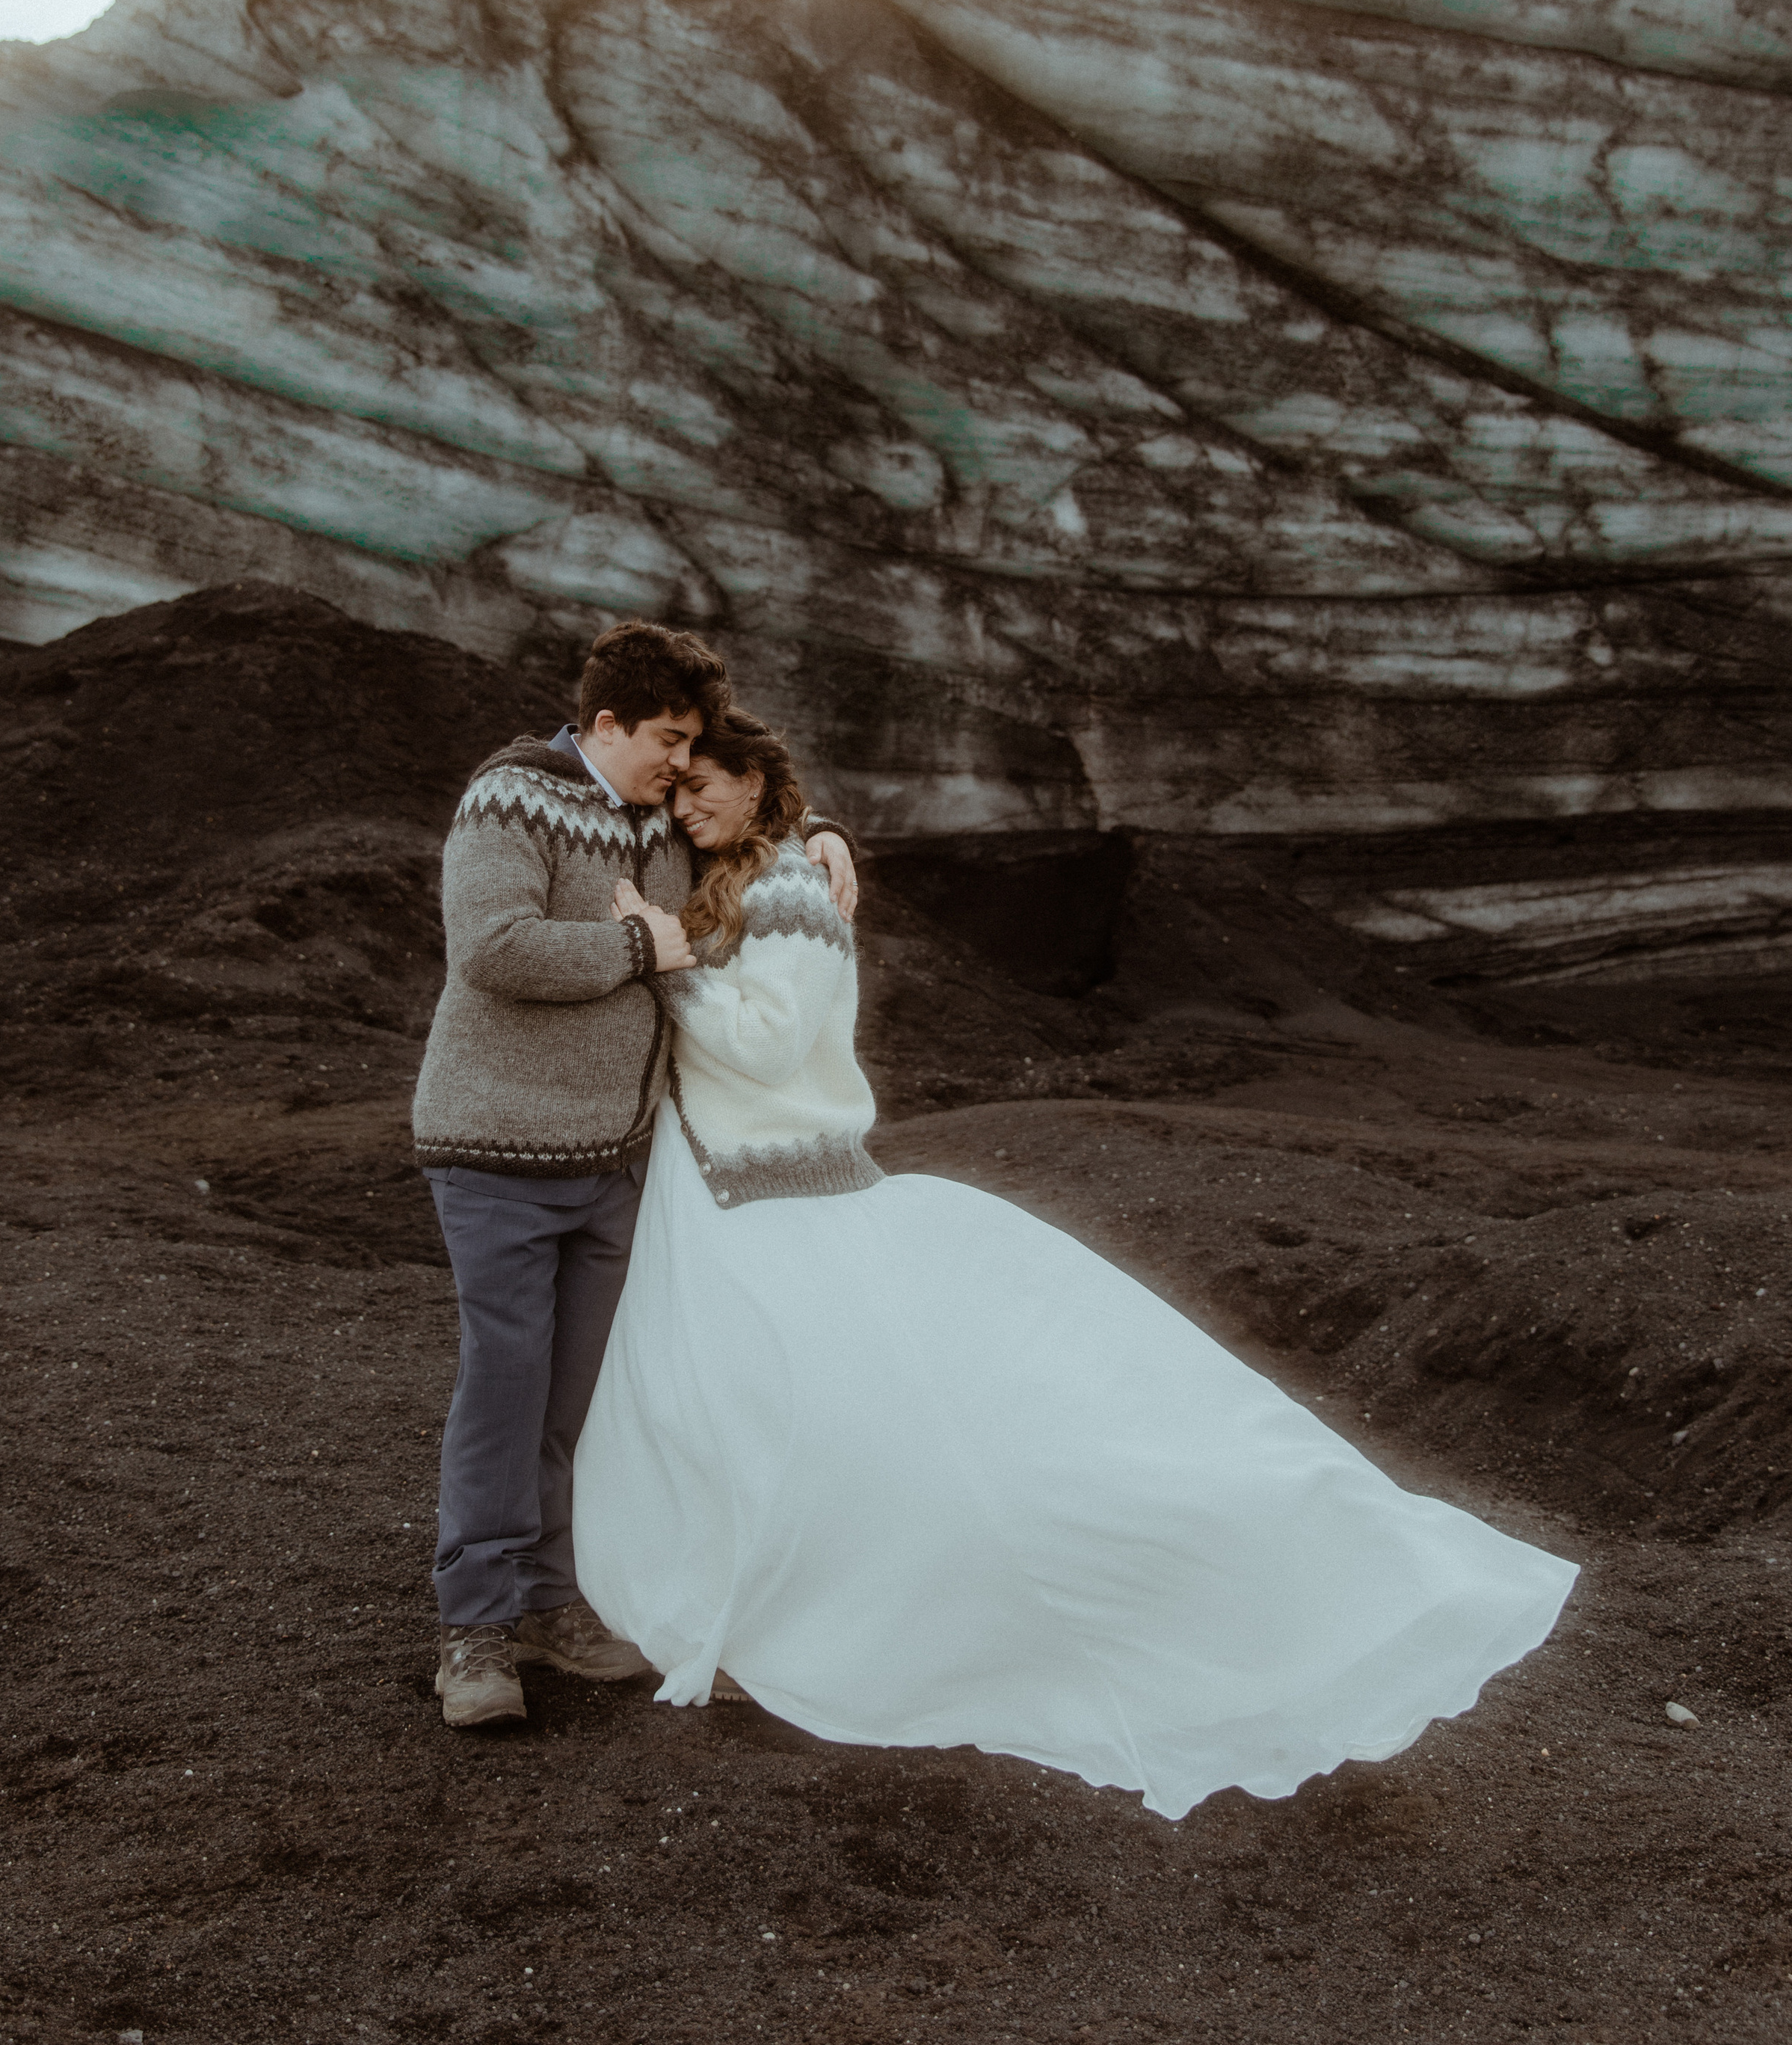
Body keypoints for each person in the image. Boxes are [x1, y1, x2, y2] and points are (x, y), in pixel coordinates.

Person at [573, 707, 1579, 1820]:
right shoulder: (737, 866)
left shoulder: (797, 895)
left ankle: (1217, 1562)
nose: (682, 807)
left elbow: (765, 1045)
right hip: (723, 1191)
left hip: (785, 1188)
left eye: (702, 786)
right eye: (673, 792)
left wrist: (668, 964)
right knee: (734, 1405)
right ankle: (762, 1591)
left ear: (758, 788)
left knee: (880, 1420)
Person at [410, 623, 857, 1729]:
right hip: (499, 1150)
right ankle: (474, 1630)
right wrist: (642, 951)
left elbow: (745, 816)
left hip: (615, 1162)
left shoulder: (658, 814)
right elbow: (495, 947)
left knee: (580, 1400)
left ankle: (552, 1604)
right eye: (667, 737)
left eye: (691, 741)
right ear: (605, 724)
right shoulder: (510, 800)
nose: (679, 760)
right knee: (506, 1386)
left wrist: (826, 832)